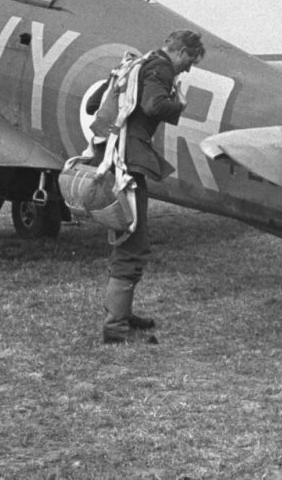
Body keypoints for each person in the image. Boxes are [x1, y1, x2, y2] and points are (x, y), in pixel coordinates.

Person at [101, 30, 206, 345]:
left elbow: (97, 101)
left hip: (117, 155)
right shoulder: (160, 68)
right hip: (129, 162)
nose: (187, 69)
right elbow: (152, 105)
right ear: (181, 51)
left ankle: (123, 315)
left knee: (129, 237)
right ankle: (115, 327)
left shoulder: (140, 63)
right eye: (189, 61)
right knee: (132, 241)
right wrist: (179, 105)